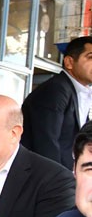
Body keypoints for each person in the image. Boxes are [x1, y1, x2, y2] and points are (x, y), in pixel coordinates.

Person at [21, 36, 92, 168]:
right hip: (44, 174)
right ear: (69, 62)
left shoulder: (78, 92)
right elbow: (46, 142)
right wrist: (58, 178)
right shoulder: (56, 89)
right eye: (90, 57)